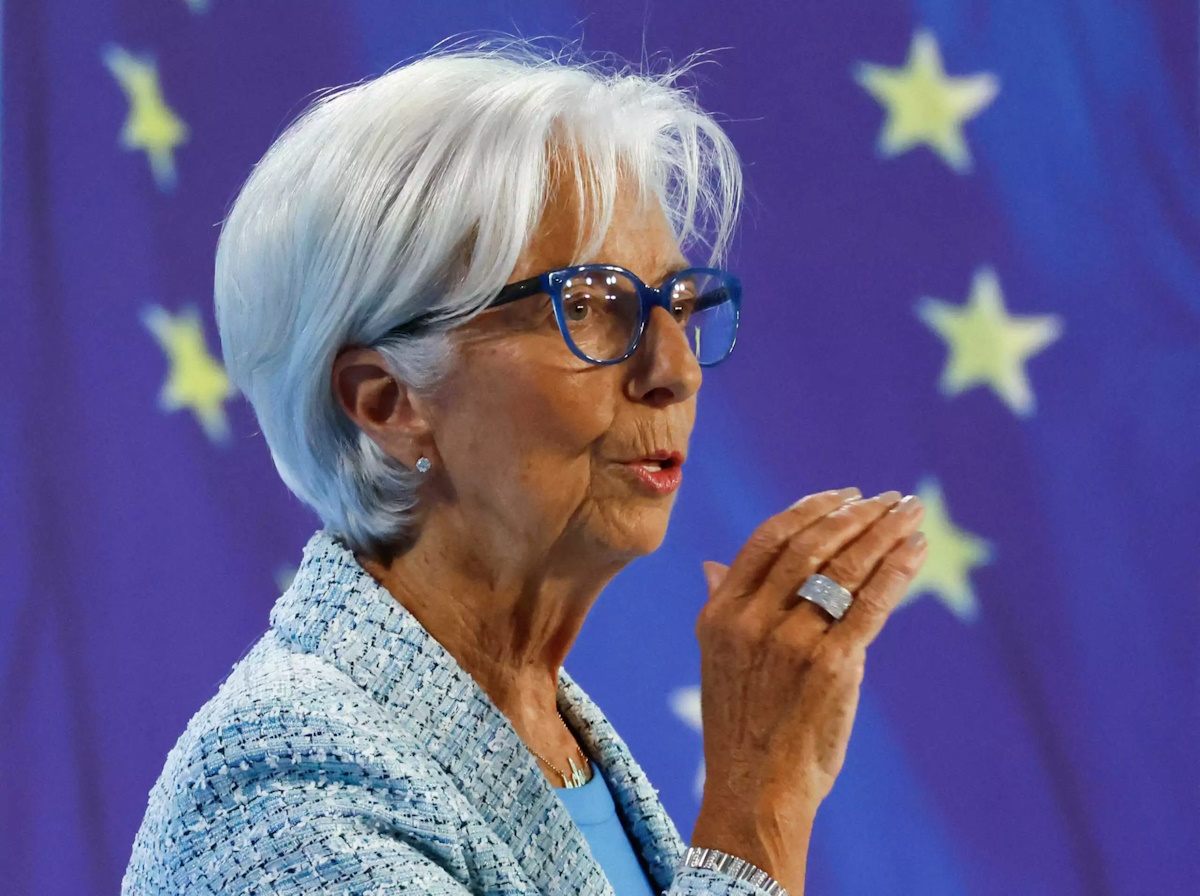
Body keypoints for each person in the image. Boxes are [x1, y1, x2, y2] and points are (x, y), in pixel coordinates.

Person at [122, 38, 928, 896]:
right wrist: (757, 803)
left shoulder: (553, 742)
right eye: (589, 306)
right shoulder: (280, 791)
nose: (677, 371)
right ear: (386, 402)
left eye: (676, 306)